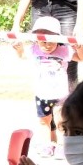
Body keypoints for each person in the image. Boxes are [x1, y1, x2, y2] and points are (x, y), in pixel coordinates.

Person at [23, 15, 72, 156]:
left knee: (60, 119)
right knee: (44, 120)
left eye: (51, 40)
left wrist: (79, 48)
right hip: (42, 93)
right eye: (43, 41)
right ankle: (47, 145)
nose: (47, 45)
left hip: (60, 93)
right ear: (36, 39)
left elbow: (82, 57)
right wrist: (18, 48)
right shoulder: (33, 49)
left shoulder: (64, 50)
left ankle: (61, 146)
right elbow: (21, 55)